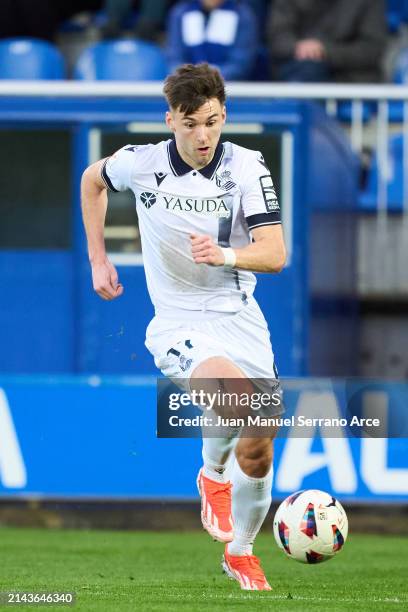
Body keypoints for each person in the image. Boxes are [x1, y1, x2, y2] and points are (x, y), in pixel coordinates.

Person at [81, 63, 286, 591]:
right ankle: (213, 475)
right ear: (170, 118)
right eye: (191, 123)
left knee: (260, 444)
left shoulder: (247, 168)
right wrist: (97, 258)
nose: (203, 136)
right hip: (177, 321)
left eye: (213, 123)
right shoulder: (141, 164)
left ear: (224, 116)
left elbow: (275, 253)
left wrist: (223, 254)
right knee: (236, 401)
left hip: (240, 317)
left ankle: (240, 552)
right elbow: (92, 180)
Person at [268, 0, 387, 83]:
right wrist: (300, 47)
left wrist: (324, 51)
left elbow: (372, 49)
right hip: (297, 71)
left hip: (349, 80)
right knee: (305, 71)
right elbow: (277, 36)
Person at [166, 0, 258, 80]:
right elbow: (174, 58)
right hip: (188, 88)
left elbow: (240, 64)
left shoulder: (242, 15)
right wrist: (191, 78)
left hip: (228, 88)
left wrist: (208, 78)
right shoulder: (180, 13)